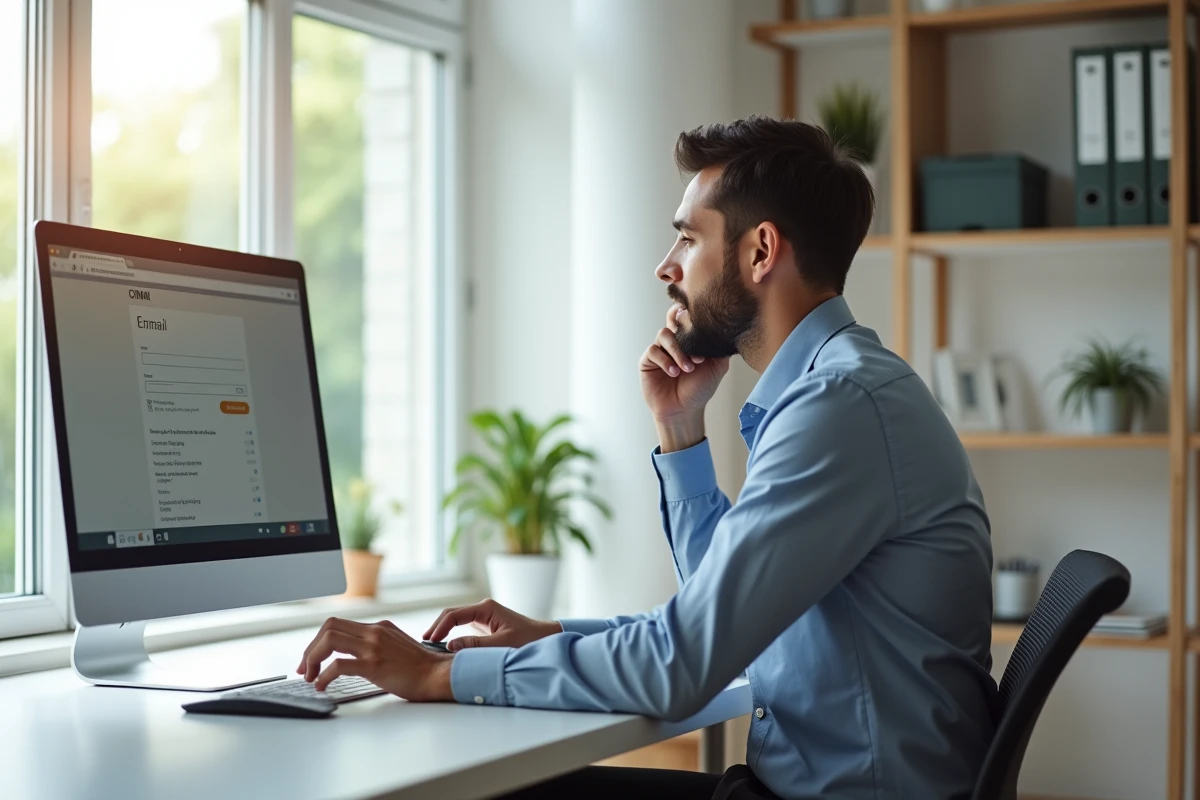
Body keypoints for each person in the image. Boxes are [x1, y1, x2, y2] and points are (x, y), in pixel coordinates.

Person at [297, 117, 998, 799]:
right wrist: (679, 425)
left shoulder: (837, 408)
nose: (666, 268)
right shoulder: (837, 390)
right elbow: (718, 617)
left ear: (760, 252)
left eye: (688, 239)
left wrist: (436, 676)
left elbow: (681, 664)